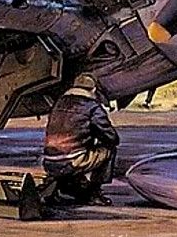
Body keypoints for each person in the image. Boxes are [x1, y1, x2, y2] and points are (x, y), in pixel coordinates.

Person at [42, 72, 119, 207]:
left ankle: (59, 184)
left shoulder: (59, 103)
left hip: (49, 160)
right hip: (72, 160)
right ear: (93, 89)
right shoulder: (92, 107)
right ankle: (93, 193)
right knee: (108, 149)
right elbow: (111, 137)